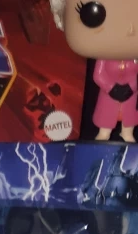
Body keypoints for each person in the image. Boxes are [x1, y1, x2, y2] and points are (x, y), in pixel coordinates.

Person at [51, 0, 138, 142]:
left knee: (129, 121)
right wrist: (111, 88)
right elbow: (98, 75)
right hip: (109, 95)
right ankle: (103, 135)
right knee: (106, 124)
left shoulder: (134, 59)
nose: (130, 29)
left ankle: (127, 134)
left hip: (130, 95)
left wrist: (131, 87)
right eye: (93, 14)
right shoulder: (104, 58)